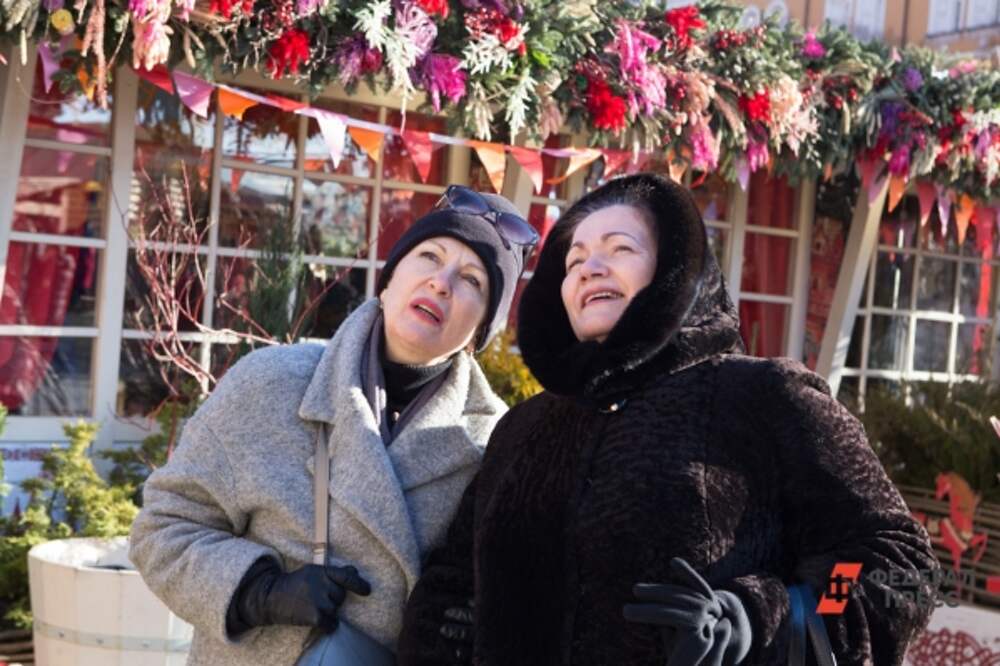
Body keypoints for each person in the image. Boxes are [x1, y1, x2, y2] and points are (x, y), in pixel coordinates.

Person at [397, 173, 938, 666]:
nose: (590, 268)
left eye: (620, 249)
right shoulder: (522, 430)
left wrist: (768, 618)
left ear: (677, 269)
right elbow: (451, 587)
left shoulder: (765, 396)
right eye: (574, 260)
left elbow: (900, 566)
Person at [129, 186, 538, 665]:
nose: (441, 282)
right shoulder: (271, 384)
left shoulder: (494, 444)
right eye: (430, 256)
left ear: (481, 331)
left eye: (472, 280)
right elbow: (161, 529)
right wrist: (259, 592)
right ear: (389, 280)